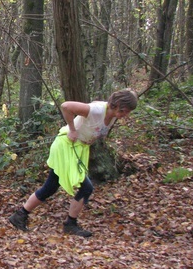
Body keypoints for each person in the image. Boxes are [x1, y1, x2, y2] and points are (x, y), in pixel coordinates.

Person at [8, 89, 139, 238]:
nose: (125, 115)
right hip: (66, 146)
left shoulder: (111, 113)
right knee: (86, 187)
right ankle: (70, 224)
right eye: (125, 111)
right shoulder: (96, 110)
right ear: (117, 105)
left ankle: (19, 216)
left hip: (79, 149)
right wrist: (72, 129)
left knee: (50, 187)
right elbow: (66, 106)